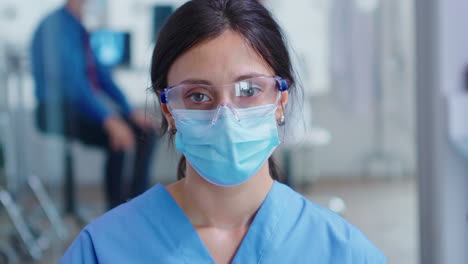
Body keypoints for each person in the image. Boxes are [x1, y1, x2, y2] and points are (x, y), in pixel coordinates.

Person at [60, 0, 386, 263]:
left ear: (280, 101)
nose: (226, 118)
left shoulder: (342, 252)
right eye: (198, 96)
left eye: (248, 90)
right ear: (169, 111)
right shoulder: (105, 249)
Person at [30, 0, 157, 210]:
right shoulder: (55, 27)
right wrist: (109, 119)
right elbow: (74, 85)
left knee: (145, 133)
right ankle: (116, 211)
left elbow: (101, 76)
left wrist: (128, 110)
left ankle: (137, 205)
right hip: (56, 109)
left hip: (78, 106)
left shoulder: (79, 29)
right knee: (119, 137)